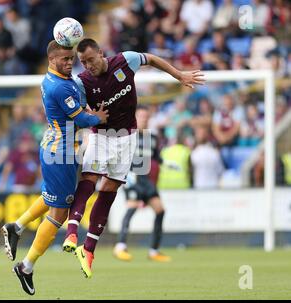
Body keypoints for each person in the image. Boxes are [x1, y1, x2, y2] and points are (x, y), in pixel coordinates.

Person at [63, 38, 204, 278]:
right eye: (83, 62)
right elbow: (76, 111)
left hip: (127, 138)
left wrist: (178, 74)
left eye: (91, 60)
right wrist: (92, 115)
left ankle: (88, 250)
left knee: (110, 189)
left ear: (101, 53)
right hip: (101, 137)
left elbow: (152, 58)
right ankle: (72, 231)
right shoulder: (82, 82)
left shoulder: (125, 61)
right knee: (90, 178)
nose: (88, 66)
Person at [0, 40, 108, 295]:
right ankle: (26, 266)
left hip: (52, 144)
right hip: (61, 153)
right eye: (65, 59)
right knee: (59, 214)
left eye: (72, 59)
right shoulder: (59, 87)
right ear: (51, 60)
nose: (70, 63)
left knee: (52, 198)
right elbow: (81, 118)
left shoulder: (52, 79)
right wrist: (98, 118)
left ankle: (16, 226)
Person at [113, 106, 173, 263]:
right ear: (135, 117)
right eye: (141, 116)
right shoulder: (126, 136)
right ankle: (120, 247)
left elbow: (156, 157)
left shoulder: (151, 138)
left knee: (160, 210)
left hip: (146, 180)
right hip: (132, 178)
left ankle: (154, 251)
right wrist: (124, 174)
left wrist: (168, 163)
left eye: (146, 117)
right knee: (131, 208)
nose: (144, 119)